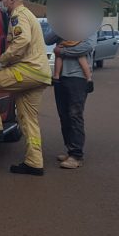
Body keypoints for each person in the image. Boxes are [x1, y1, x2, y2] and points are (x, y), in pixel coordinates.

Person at [0, 0, 52, 176]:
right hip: (40, 74)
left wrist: (3, 60)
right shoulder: (28, 14)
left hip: (28, 70)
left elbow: (22, 40)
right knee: (28, 119)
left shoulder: (18, 15)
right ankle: (34, 163)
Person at [50, 34, 95, 169]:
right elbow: (47, 39)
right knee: (64, 116)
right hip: (60, 77)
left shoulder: (88, 26)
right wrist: (59, 29)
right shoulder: (62, 26)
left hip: (77, 78)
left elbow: (87, 47)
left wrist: (62, 51)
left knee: (74, 115)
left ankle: (76, 155)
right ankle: (70, 150)